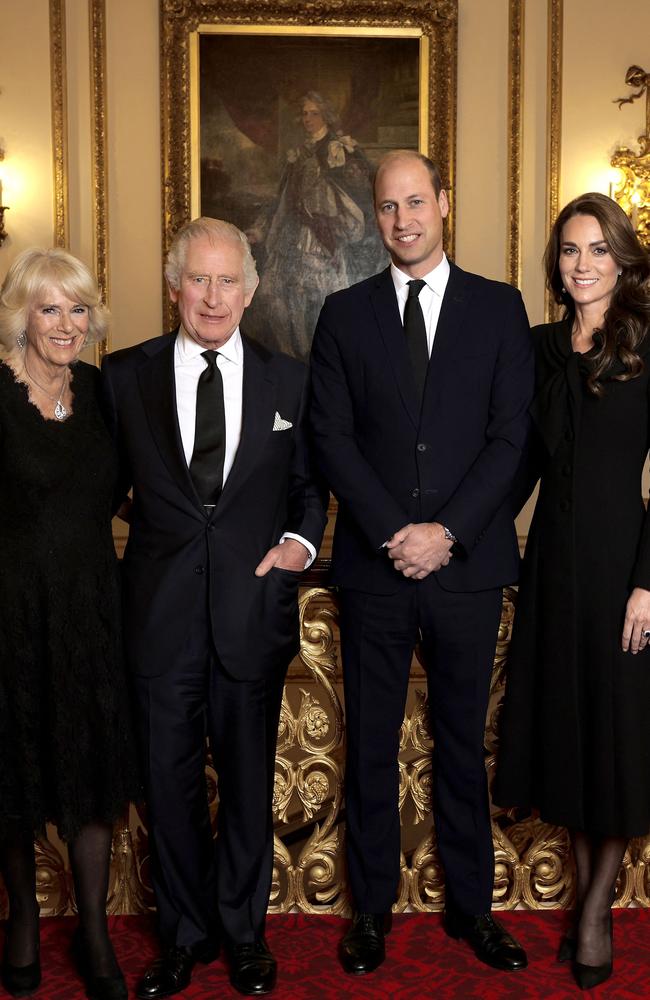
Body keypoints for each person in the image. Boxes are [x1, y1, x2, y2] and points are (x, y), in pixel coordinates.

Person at [309, 150, 534, 976]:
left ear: (444, 200)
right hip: (375, 571)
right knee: (368, 743)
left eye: (415, 201)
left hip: (467, 570)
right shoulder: (343, 313)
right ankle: (369, 911)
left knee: (460, 745)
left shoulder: (499, 308)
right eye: (386, 207)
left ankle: (471, 909)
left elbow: (512, 438)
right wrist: (393, 532)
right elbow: (330, 438)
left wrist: (446, 533)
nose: (402, 220)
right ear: (374, 216)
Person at [101, 217, 327, 999]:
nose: (212, 296)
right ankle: (182, 937)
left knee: (245, 786)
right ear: (173, 287)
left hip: (248, 617)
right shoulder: (122, 375)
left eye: (228, 280)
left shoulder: (288, 380)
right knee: (168, 793)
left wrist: (297, 545)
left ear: (252, 290)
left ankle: (242, 935)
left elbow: (307, 487)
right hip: (158, 620)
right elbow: (95, 484)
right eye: (197, 279)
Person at [494, 192, 650, 991]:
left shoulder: (649, 346)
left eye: (596, 250)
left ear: (622, 261)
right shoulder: (540, 347)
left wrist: (649, 585)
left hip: (626, 569)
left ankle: (594, 914)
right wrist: (453, 525)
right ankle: (593, 900)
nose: (581, 264)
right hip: (553, 565)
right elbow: (515, 460)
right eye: (568, 251)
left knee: (616, 742)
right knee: (577, 740)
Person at [0, 248, 139, 1000]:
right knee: (14, 771)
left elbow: (126, 491)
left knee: (91, 770)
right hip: (11, 613)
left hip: (91, 611)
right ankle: (22, 916)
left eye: (78, 309)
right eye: (49, 308)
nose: (66, 324)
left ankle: (92, 927)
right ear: (21, 314)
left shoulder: (98, 391)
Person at [247, 90, 385, 361]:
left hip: (326, 235)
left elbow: (362, 192)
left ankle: (323, 358)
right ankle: (293, 358)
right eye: (304, 113)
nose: (307, 119)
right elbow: (283, 197)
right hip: (294, 232)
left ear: (326, 117)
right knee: (276, 295)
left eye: (314, 113)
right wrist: (261, 228)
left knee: (322, 298)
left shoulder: (340, 148)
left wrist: (331, 216)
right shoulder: (297, 154)